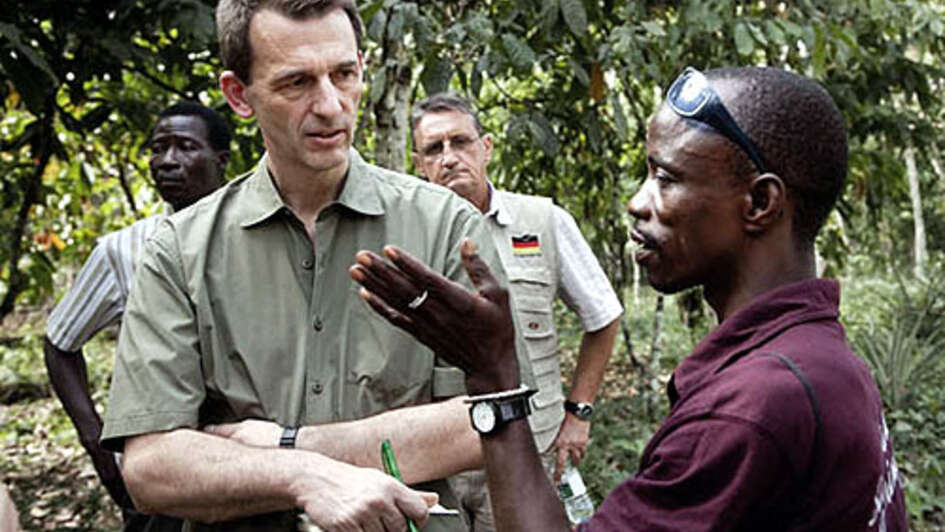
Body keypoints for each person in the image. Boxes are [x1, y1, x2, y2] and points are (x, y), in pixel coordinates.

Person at [350, 66, 908, 530]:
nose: (638, 203)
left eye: (667, 178)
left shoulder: (746, 411)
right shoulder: (824, 359)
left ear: (760, 203)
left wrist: (496, 378)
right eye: (647, 173)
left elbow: (601, 316)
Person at [100, 1, 528, 531]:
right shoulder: (180, 249)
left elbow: (491, 418)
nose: (329, 106)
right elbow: (150, 468)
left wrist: (287, 444)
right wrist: (302, 475)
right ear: (239, 95)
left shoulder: (444, 225)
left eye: (344, 74)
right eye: (296, 83)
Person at [410, 93, 622, 530]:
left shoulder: (541, 220)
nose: (449, 158)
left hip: (528, 450)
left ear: (486, 147)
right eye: (434, 149)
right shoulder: (405, 233)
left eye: (460, 142)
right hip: (436, 464)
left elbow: (602, 315)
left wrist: (578, 414)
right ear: (418, 164)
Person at [44, 101, 230, 531]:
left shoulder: (264, 239)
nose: (167, 161)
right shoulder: (124, 250)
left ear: (220, 159)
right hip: (163, 472)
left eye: (185, 147)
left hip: (256, 459)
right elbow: (60, 342)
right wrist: (98, 446)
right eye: (158, 148)